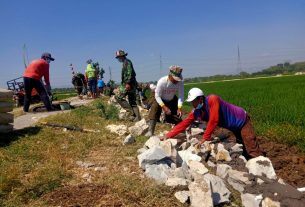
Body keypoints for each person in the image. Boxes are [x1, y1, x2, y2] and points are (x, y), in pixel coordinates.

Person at [162, 87, 264, 159]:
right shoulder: (197, 111)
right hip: (233, 127)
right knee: (241, 145)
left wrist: (205, 138)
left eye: (194, 101)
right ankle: (248, 161)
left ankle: (262, 165)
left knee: (250, 144)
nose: (192, 104)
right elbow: (184, 124)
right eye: (191, 102)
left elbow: (214, 120)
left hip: (242, 120)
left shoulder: (212, 99)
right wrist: (168, 135)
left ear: (200, 98)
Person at [145, 65, 184, 137]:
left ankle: (178, 130)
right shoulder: (162, 81)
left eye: (178, 79)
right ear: (170, 75)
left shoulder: (180, 82)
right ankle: (150, 131)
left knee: (176, 115)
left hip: (171, 98)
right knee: (155, 109)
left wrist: (179, 107)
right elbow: (157, 96)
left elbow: (181, 95)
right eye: (175, 79)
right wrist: (164, 107)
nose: (176, 81)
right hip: (160, 97)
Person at [115, 49, 141, 121]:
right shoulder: (126, 62)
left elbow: (130, 73)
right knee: (132, 101)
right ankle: (137, 117)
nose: (118, 59)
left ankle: (131, 113)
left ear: (122, 56)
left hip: (129, 84)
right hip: (131, 84)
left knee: (118, 97)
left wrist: (128, 83)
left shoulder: (127, 62)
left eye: (118, 57)